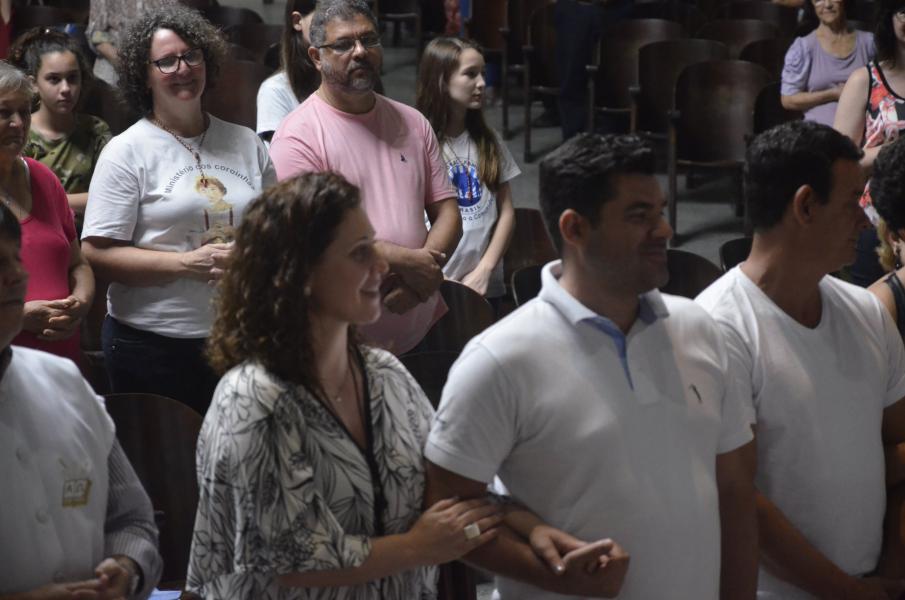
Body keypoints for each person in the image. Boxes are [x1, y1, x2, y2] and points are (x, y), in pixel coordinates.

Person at [425, 133, 758, 600]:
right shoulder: (500, 359)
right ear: (575, 228)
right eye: (639, 216)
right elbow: (445, 505)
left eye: (660, 212)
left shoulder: (700, 328)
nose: (664, 230)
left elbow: (736, 493)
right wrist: (548, 573)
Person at [186, 172, 501, 599]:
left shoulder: (383, 372)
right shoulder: (253, 398)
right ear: (300, 273)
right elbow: (295, 559)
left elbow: (447, 481)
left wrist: (530, 528)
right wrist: (418, 546)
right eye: (359, 253)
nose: (382, 267)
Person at [696, 120, 905, 599]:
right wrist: (845, 591)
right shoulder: (717, 327)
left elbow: (897, 444)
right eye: (852, 202)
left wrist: (891, 574)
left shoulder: (866, 313)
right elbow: (738, 499)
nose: (865, 221)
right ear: (806, 205)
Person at [81, 4, 277, 414]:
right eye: (166, 61)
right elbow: (97, 253)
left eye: (191, 56)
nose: (183, 68)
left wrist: (253, 256)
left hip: (238, 334)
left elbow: (276, 234)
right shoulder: (125, 151)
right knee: (169, 457)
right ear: (144, 75)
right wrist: (186, 264)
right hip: (152, 345)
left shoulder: (247, 142)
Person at [270, 0, 461, 356]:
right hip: (344, 342)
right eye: (343, 44)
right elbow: (312, 239)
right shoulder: (297, 137)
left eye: (369, 40)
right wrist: (410, 264)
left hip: (421, 323)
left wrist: (420, 282)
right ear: (316, 57)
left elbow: (447, 211)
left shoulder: (412, 121)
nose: (360, 51)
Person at [0, 201, 162, 600]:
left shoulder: (65, 383)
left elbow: (132, 520)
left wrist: (126, 568)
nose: (18, 274)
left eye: (16, 257)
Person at [0, 62, 93, 367]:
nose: (18, 123)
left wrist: (79, 303)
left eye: (25, 112)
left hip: (62, 362)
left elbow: (78, 263)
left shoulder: (44, 178)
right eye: (4, 113)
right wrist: (19, 316)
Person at [416, 37, 518, 303]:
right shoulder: (417, 143)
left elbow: (507, 212)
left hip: (482, 285)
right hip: (434, 286)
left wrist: (485, 270)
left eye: (483, 73)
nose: (482, 83)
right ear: (441, 80)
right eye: (471, 74)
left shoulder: (488, 141)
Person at [10, 27, 112, 230]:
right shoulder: (19, 133)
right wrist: (82, 201)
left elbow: (113, 195)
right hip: (32, 237)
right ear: (33, 84)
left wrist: (54, 201)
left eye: (73, 78)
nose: (65, 89)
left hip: (88, 237)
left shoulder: (96, 130)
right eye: (54, 79)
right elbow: (16, 200)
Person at [835, 0, 905, 286]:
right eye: (904, 11)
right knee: (871, 304)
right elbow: (841, 161)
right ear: (890, 18)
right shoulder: (865, 79)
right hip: (878, 218)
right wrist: (897, 148)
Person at [780, 0, 874, 127]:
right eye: (819, 0)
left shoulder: (869, 43)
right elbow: (788, 99)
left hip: (866, 129)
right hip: (819, 132)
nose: (828, 5)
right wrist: (832, 94)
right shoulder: (804, 47)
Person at [256, 0, 319, 144]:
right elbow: (282, 156)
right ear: (297, 21)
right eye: (324, 21)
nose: (337, 29)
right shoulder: (275, 90)